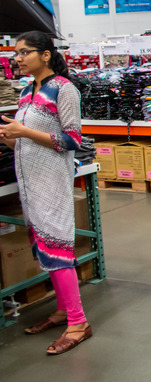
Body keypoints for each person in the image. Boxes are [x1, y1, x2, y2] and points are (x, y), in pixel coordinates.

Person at [0, 31, 91, 355]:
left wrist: (23, 130)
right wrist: (11, 136)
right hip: (30, 182)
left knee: (57, 246)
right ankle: (65, 310)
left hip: (51, 180)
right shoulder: (26, 92)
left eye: (25, 52)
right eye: (17, 53)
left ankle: (78, 322)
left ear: (46, 55)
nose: (18, 58)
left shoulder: (64, 90)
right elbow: (29, 139)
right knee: (45, 249)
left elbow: (72, 140)